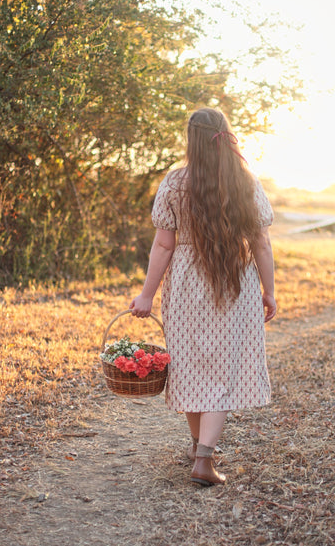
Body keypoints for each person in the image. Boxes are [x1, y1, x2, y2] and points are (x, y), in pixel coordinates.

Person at [129, 107, 276, 487]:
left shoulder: (175, 182)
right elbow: (260, 243)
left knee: (191, 366)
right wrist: (269, 291)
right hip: (233, 282)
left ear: (191, 139)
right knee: (222, 370)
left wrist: (147, 295)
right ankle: (203, 459)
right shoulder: (244, 181)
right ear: (225, 135)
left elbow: (163, 245)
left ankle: (199, 450)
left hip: (184, 288)